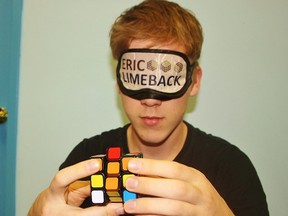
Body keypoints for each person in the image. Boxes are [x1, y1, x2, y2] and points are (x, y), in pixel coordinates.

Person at [28, 0, 269, 215]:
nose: (151, 99)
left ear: (194, 81)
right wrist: (37, 212)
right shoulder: (87, 158)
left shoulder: (231, 167)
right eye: (138, 78)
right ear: (120, 82)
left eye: (165, 79)